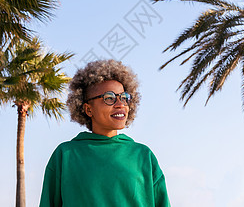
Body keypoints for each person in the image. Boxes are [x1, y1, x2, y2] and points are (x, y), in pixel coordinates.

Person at [39, 59, 170, 207]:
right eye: (109, 98)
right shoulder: (65, 154)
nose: (120, 104)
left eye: (124, 98)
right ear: (89, 109)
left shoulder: (143, 155)